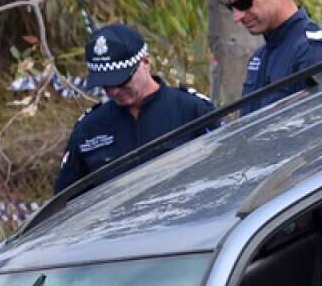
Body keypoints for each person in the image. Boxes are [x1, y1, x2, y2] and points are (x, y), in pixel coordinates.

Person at [54, 24, 220, 194]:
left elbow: (223, 171)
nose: (113, 91)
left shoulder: (193, 111)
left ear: (146, 62)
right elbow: (66, 199)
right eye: (105, 84)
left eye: (120, 81)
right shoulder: (88, 129)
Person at [222, 0, 322, 116]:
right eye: (231, 6)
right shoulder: (259, 58)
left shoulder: (311, 50)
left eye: (243, 3)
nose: (236, 17)